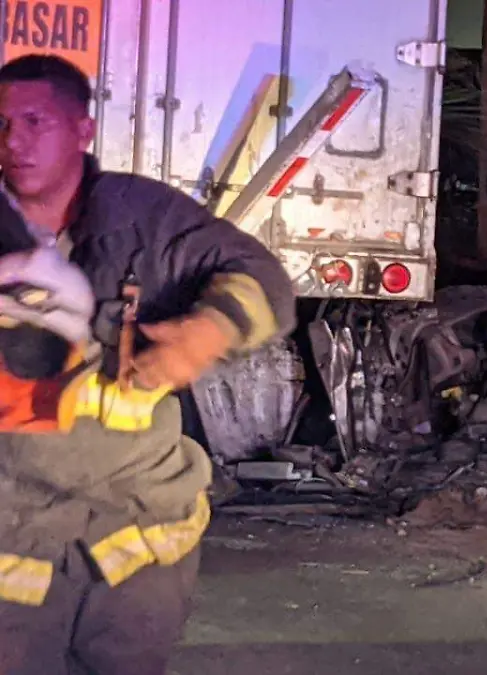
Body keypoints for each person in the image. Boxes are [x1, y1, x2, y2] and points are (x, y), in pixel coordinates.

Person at [0, 54, 295, 674]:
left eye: (35, 120)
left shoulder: (141, 218)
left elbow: (263, 279)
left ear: (82, 131)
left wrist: (206, 330)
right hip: (13, 536)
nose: (15, 141)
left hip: (139, 530)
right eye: (1, 124)